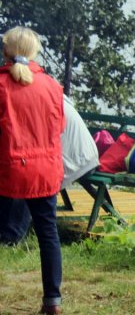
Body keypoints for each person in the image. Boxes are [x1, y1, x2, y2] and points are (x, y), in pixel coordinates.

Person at [0, 27, 66, 315]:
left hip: (8, 170)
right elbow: (59, 127)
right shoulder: (51, 86)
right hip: (44, 171)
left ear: (6, 51)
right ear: (34, 52)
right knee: (48, 233)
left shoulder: (2, 85)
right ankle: (52, 300)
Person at [0, 95, 100, 243]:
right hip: (84, 155)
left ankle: (12, 236)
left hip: (77, 159)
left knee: (27, 178)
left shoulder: (28, 102)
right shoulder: (40, 94)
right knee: (20, 170)